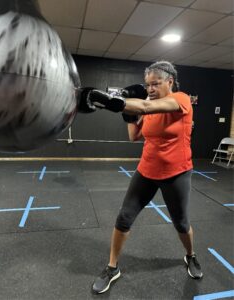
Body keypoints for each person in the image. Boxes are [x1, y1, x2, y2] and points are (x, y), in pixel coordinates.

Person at [77, 60, 203, 294]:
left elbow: (145, 107)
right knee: (124, 217)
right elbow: (134, 135)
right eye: (147, 85)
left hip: (177, 173)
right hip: (147, 171)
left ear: (170, 82)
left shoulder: (181, 100)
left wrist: (113, 101)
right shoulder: (148, 106)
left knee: (181, 223)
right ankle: (112, 267)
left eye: (155, 84)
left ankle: (190, 255)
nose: (150, 89)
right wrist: (127, 114)